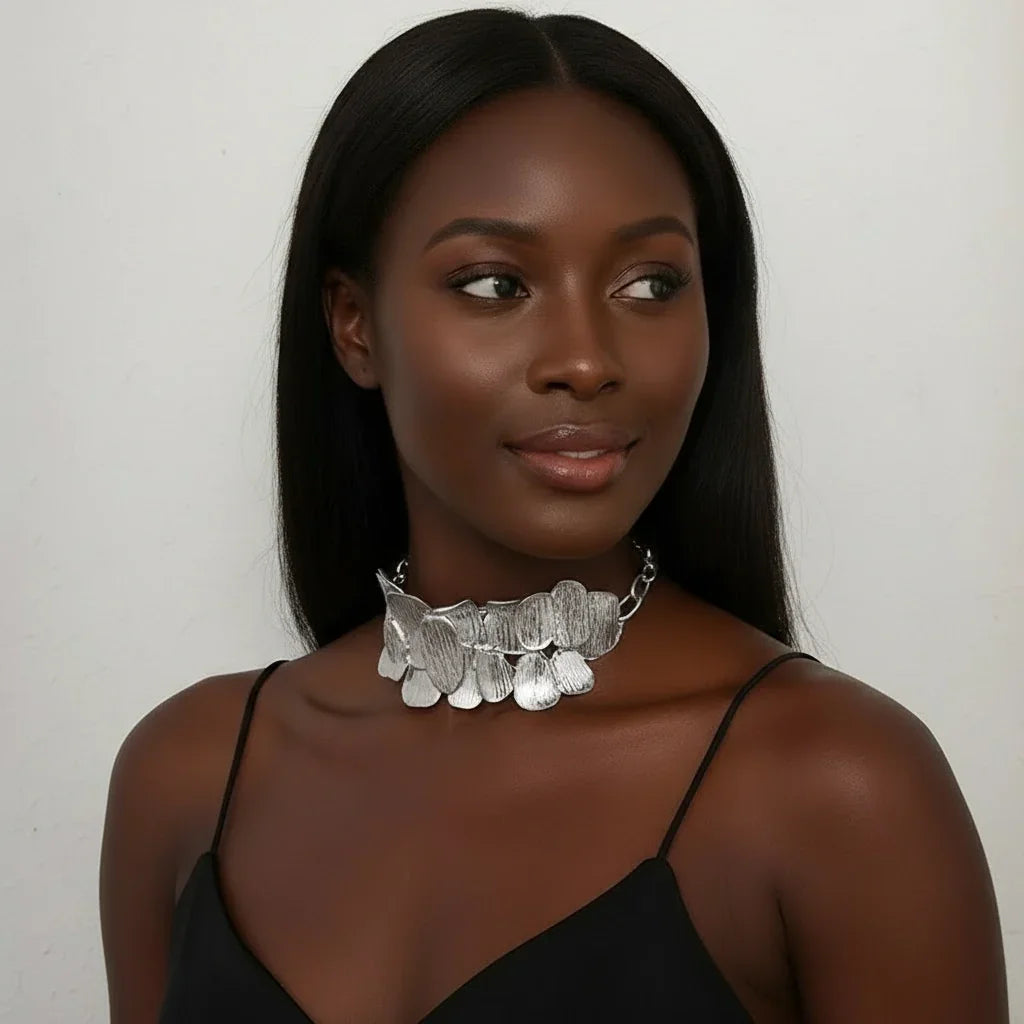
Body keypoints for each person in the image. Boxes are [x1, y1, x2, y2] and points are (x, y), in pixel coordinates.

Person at [98, 8, 1009, 1023]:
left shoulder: (837, 786)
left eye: (651, 283)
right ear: (354, 325)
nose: (584, 358)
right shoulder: (187, 777)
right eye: (495, 283)